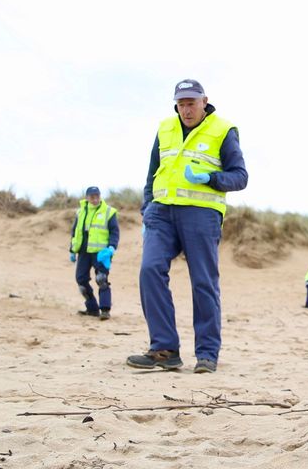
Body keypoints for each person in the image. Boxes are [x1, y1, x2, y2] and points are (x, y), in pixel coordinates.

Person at [126, 79, 248, 374]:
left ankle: (207, 353)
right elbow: (152, 173)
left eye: (191, 103)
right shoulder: (165, 128)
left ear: (204, 101)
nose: (186, 109)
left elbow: (240, 177)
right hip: (162, 213)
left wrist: (211, 178)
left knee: (203, 282)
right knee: (150, 270)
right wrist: (147, 209)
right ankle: (164, 349)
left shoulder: (223, 129)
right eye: (181, 104)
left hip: (201, 214)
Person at [69, 186, 119, 320]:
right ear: (87, 197)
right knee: (81, 280)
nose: (95, 199)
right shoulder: (80, 212)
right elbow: (75, 232)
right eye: (92, 197)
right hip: (84, 251)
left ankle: (105, 310)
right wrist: (72, 250)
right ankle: (92, 308)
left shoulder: (109, 212)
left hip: (101, 252)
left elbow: (114, 231)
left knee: (101, 279)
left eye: (97, 196)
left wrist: (112, 248)